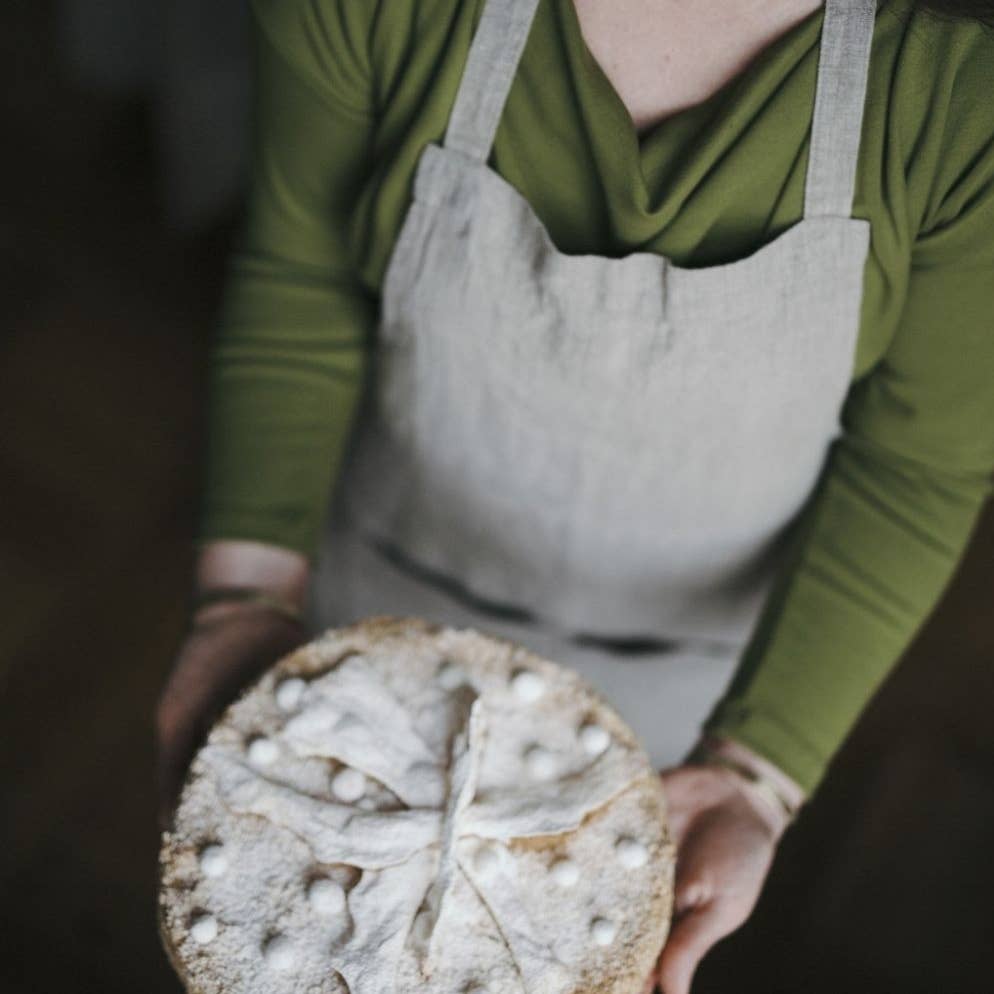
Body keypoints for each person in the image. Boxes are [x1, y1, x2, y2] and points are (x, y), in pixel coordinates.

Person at [156, 0, 994, 991]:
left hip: (705, 676)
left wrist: (754, 770)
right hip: (378, 596)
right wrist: (243, 595)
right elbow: (303, 274)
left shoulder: (957, 94)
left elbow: (917, 463)